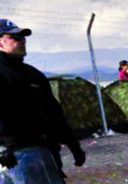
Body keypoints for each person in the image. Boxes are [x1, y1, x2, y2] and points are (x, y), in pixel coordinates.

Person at [0, 19, 85, 170]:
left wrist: (74, 145)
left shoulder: (33, 74)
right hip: (12, 158)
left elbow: (54, 112)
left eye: (23, 37)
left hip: (44, 152)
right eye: (16, 38)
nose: (23, 41)